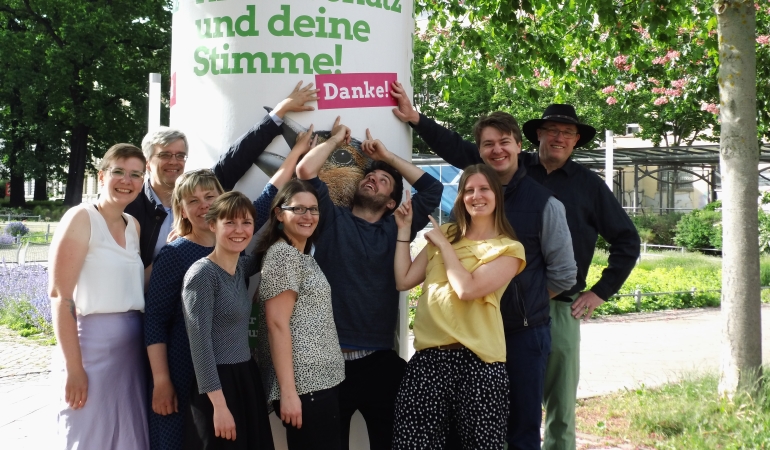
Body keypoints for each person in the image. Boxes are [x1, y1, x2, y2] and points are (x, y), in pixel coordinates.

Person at [391, 81, 576, 450]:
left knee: (520, 428)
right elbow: (405, 280)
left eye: (505, 142)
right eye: (488, 144)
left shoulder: (540, 209)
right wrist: (416, 120)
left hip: (518, 335)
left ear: (520, 147)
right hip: (441, 351)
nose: (497, 150)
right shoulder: (453, 226)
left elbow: (563, 274)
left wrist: (522, 301)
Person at [144, 130, 316, 450]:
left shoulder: (238, 255)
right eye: (192, 201)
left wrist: (297, 155)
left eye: (210, 197)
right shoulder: (177, 255)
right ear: (181, 210)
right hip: (186, 367)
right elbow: (155, 320)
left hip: (234, 372)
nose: (203, 205)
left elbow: (268, 198)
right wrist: (162, 380)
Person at [295, 119, 443, 449]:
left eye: (383, 180)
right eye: (370, 176)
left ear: (392, 201)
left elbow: (433, 189)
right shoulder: (331, 218)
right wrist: (334, 140)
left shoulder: (397, 226)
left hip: (380, 361)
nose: (373, 180)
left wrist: (387, 157)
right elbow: (305, 172)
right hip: (328, 362)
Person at [520, 104, 640, 450]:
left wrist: (601, 292)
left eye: (567, 133)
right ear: (538, 134)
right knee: (508, 394)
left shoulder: (589, 185)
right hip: (507, 304)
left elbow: (627, 240)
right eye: (553, 130)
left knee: (560, 403)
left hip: (561, 307)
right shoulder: (512, 173)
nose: (559, 137)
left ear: (575, 141)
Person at [391, 164, 526, 449]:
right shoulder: (448, 233)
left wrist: (444, 245)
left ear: (497, 196)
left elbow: (467, 289)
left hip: (478, 364)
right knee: (411, 444)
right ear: (461, 197)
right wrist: (404, 231)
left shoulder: (508, 249)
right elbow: (404, 280)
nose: (476, 196)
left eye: (484, 189)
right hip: (429, 361)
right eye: (469, 190)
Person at [127, 81, 319, 268]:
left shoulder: (222, 210)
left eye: (180, 155)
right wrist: (172, 253)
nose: (174, 161)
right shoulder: (130, 208)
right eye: (165, 155)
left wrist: (281, 113)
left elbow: (240, 158)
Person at [49, 143, 150, 448]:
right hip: (90, 352)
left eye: (135, 174)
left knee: (126, 436)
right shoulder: (81, 218)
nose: (126, 181)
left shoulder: (132, 225)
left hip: (130, 355)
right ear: (102, 175)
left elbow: (132, 283)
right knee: (87, 434)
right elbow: (59, 296)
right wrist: (75, 369)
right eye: (118, 171)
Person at [255, 179, 345, 450]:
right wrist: (289, 393)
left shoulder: (301, 254)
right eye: (299, 209)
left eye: (313, 209)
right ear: (280, 214)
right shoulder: (283, 255)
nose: (308, 216)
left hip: (321, 384)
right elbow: (276, 325)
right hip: (306, 388)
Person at [182, 192, 274, 450]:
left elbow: (268, 253)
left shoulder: (241, 267)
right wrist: (219, 407)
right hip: (218, 386)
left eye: (246, 223)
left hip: (246, 377)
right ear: (213, 225)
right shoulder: (201, 275)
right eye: (230, 222)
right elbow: (200, 346)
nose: (239, 230)